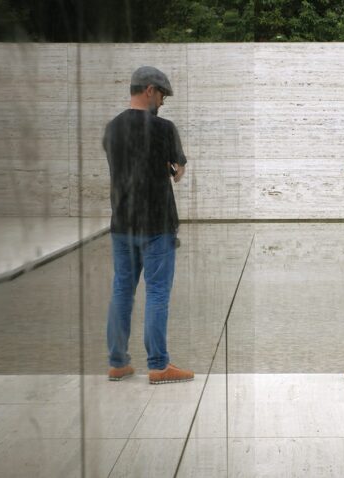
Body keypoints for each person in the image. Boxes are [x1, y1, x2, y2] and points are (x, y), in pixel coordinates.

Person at [102, 66, 193, 385]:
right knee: (157, 292)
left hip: (122, 223)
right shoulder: (164, 129)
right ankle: (158, 365)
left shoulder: (112, 128)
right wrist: (174, 168)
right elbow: (178, 169)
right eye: (163, 95)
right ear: (150, 90)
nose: (163, 102)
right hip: (157, 224)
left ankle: (117, 363)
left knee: (121, 289)